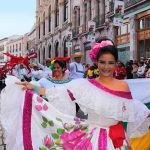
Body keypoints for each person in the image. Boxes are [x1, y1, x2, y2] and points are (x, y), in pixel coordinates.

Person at [1, 38, 150, 150]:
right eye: (102, 62)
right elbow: (58, 94)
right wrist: (32, 88)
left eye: (111, 63)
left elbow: (133, 108)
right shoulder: (85, 84)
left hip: (117, 141)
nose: (106, 67)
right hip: (92, 140)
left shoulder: (123, 86)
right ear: (96, 62)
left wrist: (146, 114)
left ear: (116, 63)